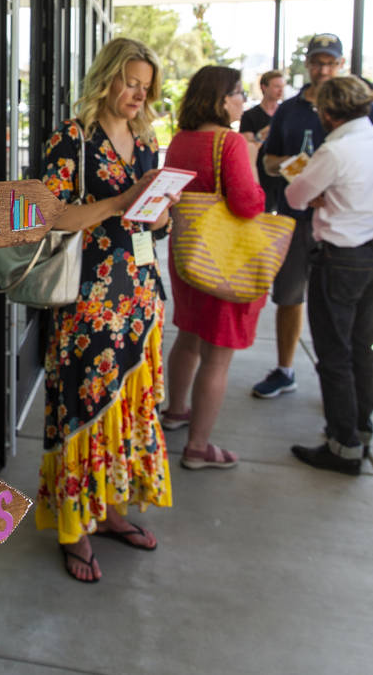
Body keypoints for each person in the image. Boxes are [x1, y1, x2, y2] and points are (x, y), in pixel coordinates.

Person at [37, 37, 174, 583]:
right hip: (88, 301)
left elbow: (152, 225)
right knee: (82, 408)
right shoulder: (73, 137)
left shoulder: (145, 140)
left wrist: (161, 208)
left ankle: (111, 509)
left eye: (147, 87)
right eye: (131, 83)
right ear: (107, 79)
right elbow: (49, 216)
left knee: (124, 410)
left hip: (139, 297)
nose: (139, 94)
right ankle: (74, 528)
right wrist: (121, 201)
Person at [160, 66, 266, 469]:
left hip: (188, 254)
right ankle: (199, 447)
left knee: (188, 335)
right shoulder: (231, 142)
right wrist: (252, 161)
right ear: (222, 99)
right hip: (225, 261)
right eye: (239, 93)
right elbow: (248, 203)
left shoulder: (181, 139)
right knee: (217, 355)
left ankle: (176, 411)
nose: (243, 101)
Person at [285, 76, 373, 475]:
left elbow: (295, 196)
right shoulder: (368, 138)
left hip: (339, 255)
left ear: (329, 114)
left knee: (334, 352)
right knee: (360, 346)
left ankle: (343, 446)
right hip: (369, 250)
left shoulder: (335, 151)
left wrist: (318, 192)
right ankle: (359, 426)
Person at [251, 33, 344, 399]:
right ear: (307, 64)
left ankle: (341, 389)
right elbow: (268, 160)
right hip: (294, 217)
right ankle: (285, 370)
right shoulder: (289, 109)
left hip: (341, 224)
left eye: (330, 63)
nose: (323, 69)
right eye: (317, 62)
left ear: (340, 65)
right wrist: (286, 166)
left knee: (338, 307)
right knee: (289, 297)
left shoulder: (357, 106)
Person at [240, 68, 285, 211]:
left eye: (282, 87)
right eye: (277, 86)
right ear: (264, 87)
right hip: (260, 175)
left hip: (284, 174)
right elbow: (248, 147)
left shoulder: (286, 113)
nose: (280, 91)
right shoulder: (250, 116)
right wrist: (263, 134)